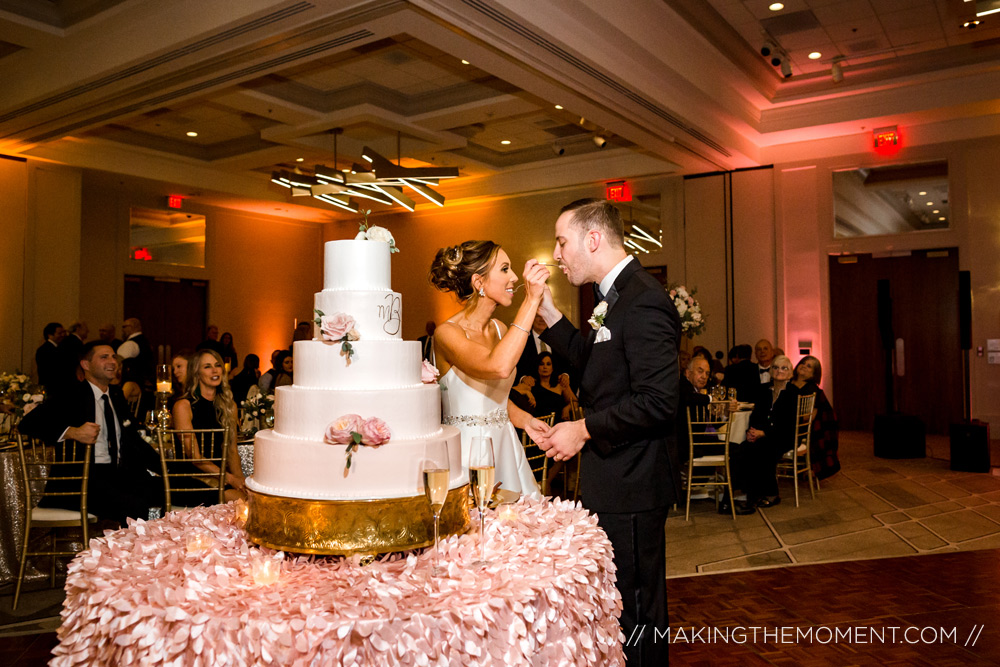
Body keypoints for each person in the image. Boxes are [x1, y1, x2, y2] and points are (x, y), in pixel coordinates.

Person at [535, 198, 680, 666]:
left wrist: (583, 428)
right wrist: (551, 316)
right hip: (614, 477)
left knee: (637, 611)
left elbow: (658, 402)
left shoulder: (643, 299)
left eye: (562, 241)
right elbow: (596, 370)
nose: (558, 254)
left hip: (633, 481)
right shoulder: (611, 298)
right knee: (618, 605)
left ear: (592, 239)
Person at [428, 240, 550, 497]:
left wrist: (525, 421)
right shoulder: (447, 334)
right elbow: (498, 367)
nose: (514, 277)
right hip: (468, 453)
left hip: (506, 445)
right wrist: (530, 300)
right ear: (479, 283)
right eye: (505, 269)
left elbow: (492, 396)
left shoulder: (500, 329)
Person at [17, 342, 163, 526]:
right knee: (134, 503)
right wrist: (72, 432)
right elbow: (27, 424)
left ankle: (159, 549)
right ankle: (133, 552)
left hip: (118, 475)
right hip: (81, 481)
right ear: (86, 365)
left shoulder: (116, 397)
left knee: (164, 490)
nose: (112, 362)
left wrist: (166, 469)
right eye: (104, 357)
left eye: (113, 357)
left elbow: (135, 442)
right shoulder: (71, 394)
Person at [726, 354, 799, 514]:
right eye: (775, 367)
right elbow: (755, 415)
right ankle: (740, 493)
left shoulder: (794, 393)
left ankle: (767, 494)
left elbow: (787, 424)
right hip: (762, 435)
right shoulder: (763, 390)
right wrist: (751, 431)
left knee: (762, 448)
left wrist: (763, 433)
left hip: (783, 436)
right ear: (771, 371)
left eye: (784, 368)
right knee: (741, 448)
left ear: (790, 373)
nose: (779, 371)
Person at [170, 349, 246, 503]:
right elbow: (195, 458)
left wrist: (241, 481)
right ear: (196, 373)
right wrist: (231, 479)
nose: (214, 370)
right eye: (207, 366)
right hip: (190, 479)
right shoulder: (183, 406)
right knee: (243, 503)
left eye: (217, 365)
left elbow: (232, 451)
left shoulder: (229, 406)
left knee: (254, 499)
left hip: (220, 478)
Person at [792, 355, 841, 480]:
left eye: (809, 366)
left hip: (799, 431)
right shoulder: (787, 383)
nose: (804, 366)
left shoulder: (812, 390)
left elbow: (809, 418)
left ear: (814, 374)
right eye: (803, 363)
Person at [35, 322, 70, 393]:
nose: (63, 335)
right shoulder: (44, 350)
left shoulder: (59, 347)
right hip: (51, 388)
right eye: (59, 333)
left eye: (64, 332)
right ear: (50, 335)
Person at [117, 318, 154, 384]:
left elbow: (118, 364)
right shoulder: (145, 341)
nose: (122, 330)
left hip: (131, 383)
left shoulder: (130, 344)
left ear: (131, 327)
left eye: (124, 327)